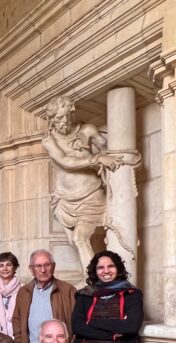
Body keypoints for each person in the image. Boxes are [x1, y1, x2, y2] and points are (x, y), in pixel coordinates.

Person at [42, 95, 122, 271]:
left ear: (72, 113)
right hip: (64, 200)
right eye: (58, 118)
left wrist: (108, 160)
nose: (63, 121)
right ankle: (90, 276)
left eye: (66, 116)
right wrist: (96, 159)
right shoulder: (49, 140)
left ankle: (94, 283)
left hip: (90, 195)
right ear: (51, 119)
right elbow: (65, 161)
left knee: (80, 238)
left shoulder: (88, 130)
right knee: (74, 241)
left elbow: (110, 151)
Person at [12, 249, 76, 343]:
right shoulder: (24, 292)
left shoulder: (67, 290)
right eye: (38, 266)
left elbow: (76, 322)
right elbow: (17, 321)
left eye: (47, 265)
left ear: (54, 266)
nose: (43, 270)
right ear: (31, 269)